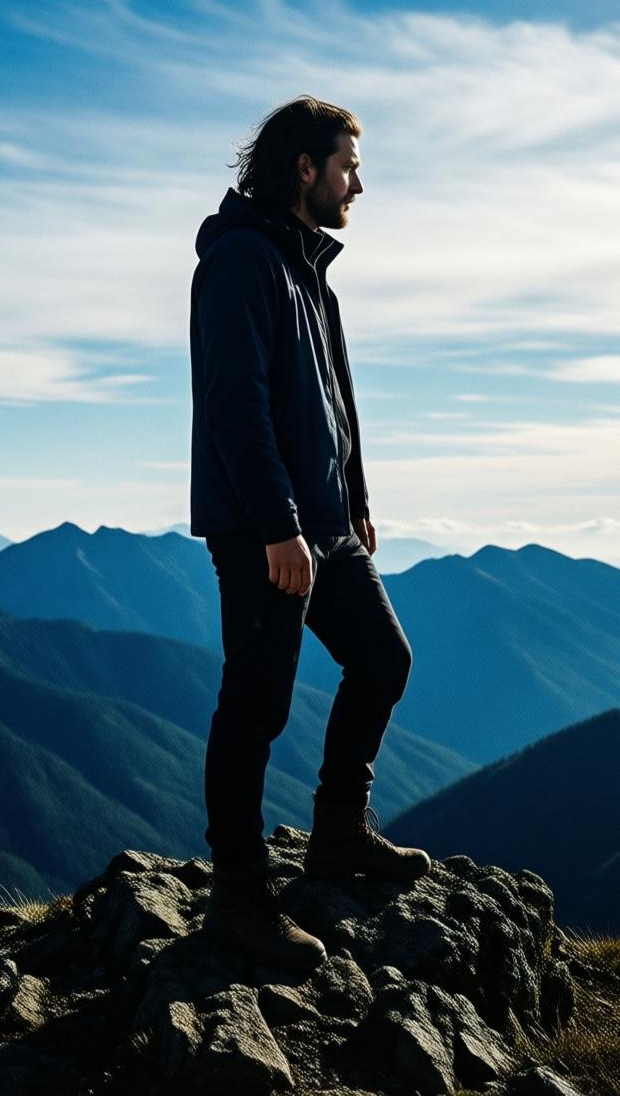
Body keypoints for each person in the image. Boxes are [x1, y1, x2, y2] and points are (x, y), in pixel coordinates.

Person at [188, 95, 430, 973]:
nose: (359, 185)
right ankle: (240, 899)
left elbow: (334, 402)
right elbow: (235, 405)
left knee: (383, 659)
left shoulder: (307, 270)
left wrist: (354, 496)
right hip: (266, 530)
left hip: (324, 524)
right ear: (304, 167)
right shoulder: (243, 262)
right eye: (348, 166)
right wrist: (279, 525)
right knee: (256, 703)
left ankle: (336, 836)